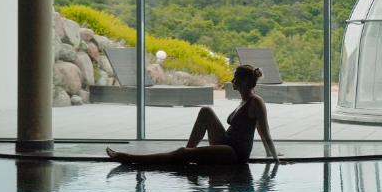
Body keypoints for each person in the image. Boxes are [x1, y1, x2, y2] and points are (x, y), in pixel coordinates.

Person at [106, 65, 279, 166]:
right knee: (206, 111)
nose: (232, 81)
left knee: (182, 153)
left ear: (244, 82)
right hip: (226, 142)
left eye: (235, 78)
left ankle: (128, 158)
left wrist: (274, 159)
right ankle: (186, 154)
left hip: (234, 153)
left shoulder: (256, 102)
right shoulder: (243, 101)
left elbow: (265, 133)